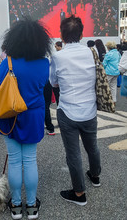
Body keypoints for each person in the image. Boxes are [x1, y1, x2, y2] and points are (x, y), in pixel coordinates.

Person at [0, 19, 51, 219]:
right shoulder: (44, 64)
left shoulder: (8, 62)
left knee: (15, 162)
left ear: (13, 40)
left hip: (10, 116)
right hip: (33, 116)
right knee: (30, 160)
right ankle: (32, 205)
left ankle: (16, 205)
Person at [50, 15, 101, 206]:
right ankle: (95, 176)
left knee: (73, 154)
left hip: (68, 110)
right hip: (89, 109)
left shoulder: (57, 56)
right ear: (81, 34)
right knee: (92, 146)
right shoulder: (92, 52)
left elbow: (53, 81)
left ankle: (79, 193)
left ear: (62, 35)